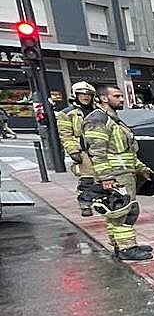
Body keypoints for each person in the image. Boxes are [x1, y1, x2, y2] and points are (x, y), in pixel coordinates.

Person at [83, 85, 153, 261]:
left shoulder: (112, 119)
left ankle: (120, 244)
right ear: (103, 98)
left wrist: (141, 168)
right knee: (125, 211)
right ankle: (127, 248)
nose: (121, 99)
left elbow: (125, 151)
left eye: (121, 96)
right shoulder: (98, 120)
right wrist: (107, 178)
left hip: (124, 172)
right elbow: (97, 152)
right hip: (116, 174)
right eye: (117, 96)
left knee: (118, 210)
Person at [56, 82, 99, 216]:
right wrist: (73, 151)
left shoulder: (99, 111)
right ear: (75, 95)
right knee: (87, 178)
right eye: (82, 94)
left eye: (88, 94)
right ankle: (85, 203)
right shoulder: (67, 114)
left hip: (100, 148)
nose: (85, 97)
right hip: (83, 150)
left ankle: (103, 201)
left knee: (105, 176)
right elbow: (65, 134)